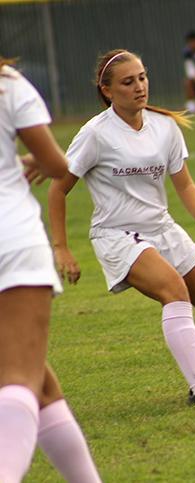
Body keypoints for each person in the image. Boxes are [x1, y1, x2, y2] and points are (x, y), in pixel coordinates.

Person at [48, 49, 195, 406]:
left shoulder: (164, 126)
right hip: (117, 235)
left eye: (143, 77)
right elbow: (58, 189)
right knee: (175, 291)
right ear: (107, 90)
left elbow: (184, 183)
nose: (139, 86)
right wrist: (61, 247)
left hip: (162, 229)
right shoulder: (95, 134)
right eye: (128, 81)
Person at [0, 57, 101, 482]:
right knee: (21, 379)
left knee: (42, 384)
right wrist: (42, 161)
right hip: (12, 240)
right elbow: (59, 166)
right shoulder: (8, 85)